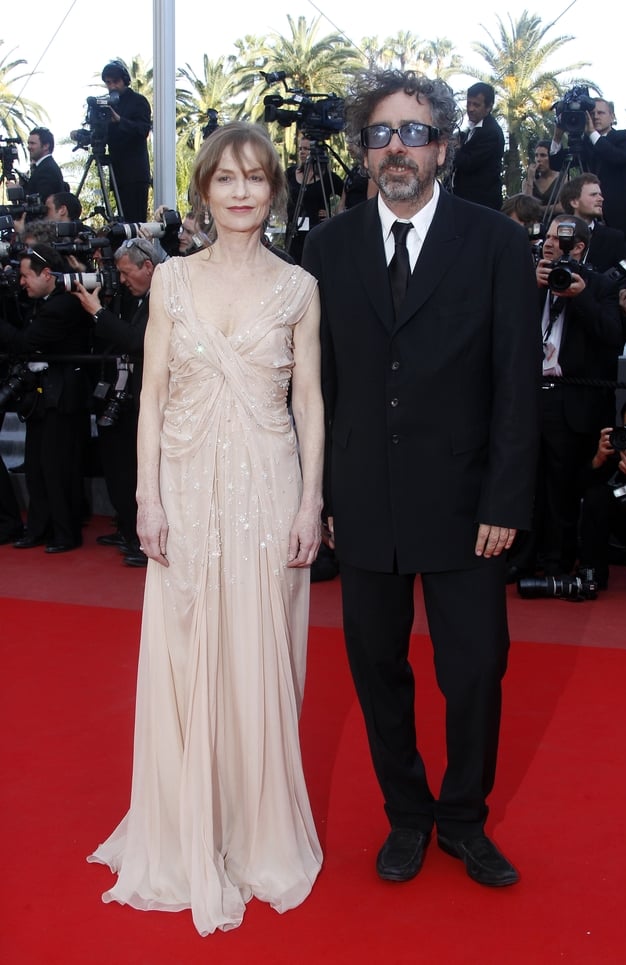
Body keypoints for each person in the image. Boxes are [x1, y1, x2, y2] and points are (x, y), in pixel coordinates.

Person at [303, 69, 542, 888]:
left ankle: (464, 818)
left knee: (475, 667)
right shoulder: (328, 246)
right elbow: (319, 385)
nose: (395, 147)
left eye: (412, 131)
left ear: (442, 145)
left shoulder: (497, 242)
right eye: (379, 133)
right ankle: (406, 815)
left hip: (469, 504)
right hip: (364, 501)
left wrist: (507, 496)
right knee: (377, 666)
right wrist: (323, 494)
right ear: (363, 151)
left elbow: (517, 381)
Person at [87, 122, 324, 935]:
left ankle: (255, 831)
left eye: (255, 177)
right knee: (188, 650)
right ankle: (188, 828)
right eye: (225, 178)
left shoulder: (298, 287)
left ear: (274, 189)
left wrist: (310, 503)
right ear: (203, 189)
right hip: (185, 483)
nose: (240, 191)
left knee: (262, 651)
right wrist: (146, 498)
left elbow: (311, 404)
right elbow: (151, 397)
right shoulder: (173, 282)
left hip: (269, 485)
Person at [509, 215, 622, 580]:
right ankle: (521, 559)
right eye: (548, 237)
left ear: (580, 247)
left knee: (560, 487)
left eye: (559, 238)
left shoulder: (600, 285)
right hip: (529, 394)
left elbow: (610, 336)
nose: (549, 243)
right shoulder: (533, 281)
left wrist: (580, 295)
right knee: (525, 481)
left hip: (571, 399)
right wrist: (530, 288)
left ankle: (556, 562)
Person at [73, 237, 161, 568]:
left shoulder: (162, 298)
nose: (122, 280)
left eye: (127, 273)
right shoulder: (134, 296)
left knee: (141, 472)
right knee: (121, 468)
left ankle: (144, 540)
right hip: (125, 393)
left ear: (148, 267)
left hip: (149, 398)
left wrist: (98, 313)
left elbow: (138, 341)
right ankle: (128, 530)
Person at [0, 244, 91, 552]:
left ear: (47, 274)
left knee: (56, 467)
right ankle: (38, 529)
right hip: (43, 397)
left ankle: (65, 534)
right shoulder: (43, 303)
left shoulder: (62, 305)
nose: (22, 282)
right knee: (37, 466)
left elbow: (25, 341)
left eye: (26, 276)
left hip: (62, 397)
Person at [550, 98, 626, 250]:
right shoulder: (585, 144)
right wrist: (557, 136)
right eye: (592, 114)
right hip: (590, 219)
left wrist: (592, 133)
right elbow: (556, 164)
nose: (596, 117)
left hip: (621, 219)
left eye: (601, 112)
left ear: (612, 117)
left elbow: (617, 157)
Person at [577, 396, 626, 588]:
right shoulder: (619, 447)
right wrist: (598, 459)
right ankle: (593, 574)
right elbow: (578, 490)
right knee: (597, 496)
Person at [101, 60, 152, 221]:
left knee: (135, 222)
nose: (112, 86)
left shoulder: (138, 101)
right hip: (117, 172)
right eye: (108, 83)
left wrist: (119, 120)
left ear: (125, 81)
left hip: (134, 174)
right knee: (122, 223)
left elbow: (143, 130)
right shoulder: (107, 103)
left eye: (115, 82)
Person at [285, 133, 344, 263]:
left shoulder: (327, 177)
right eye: (300, 148)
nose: (302, 152)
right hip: (294, 233)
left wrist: (335, 215)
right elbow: (277, 192)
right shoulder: (290, 173)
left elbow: (348, 191)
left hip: (317, 232)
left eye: (306, 149)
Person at [558, 174, 626, 274]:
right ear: (574, 202)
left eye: (600, 194)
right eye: (593, 194)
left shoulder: (614, 238)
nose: (601, 199)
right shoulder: (554, 235)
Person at [451, 82, 505, 210]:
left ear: (489, 107)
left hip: (480, 204)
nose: (470, 109)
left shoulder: (490, 132)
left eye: (476, 105)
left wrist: (454, 148)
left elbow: (468, 163)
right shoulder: (472, 129)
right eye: (469, 103)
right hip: (465, 201)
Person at [19, 128, 66, 204]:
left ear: (46, 146)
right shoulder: (43, 167)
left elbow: (42, 200)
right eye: (28, 143)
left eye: (32, 143)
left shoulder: (48, 169)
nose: (29, 147)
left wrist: (18, 191)